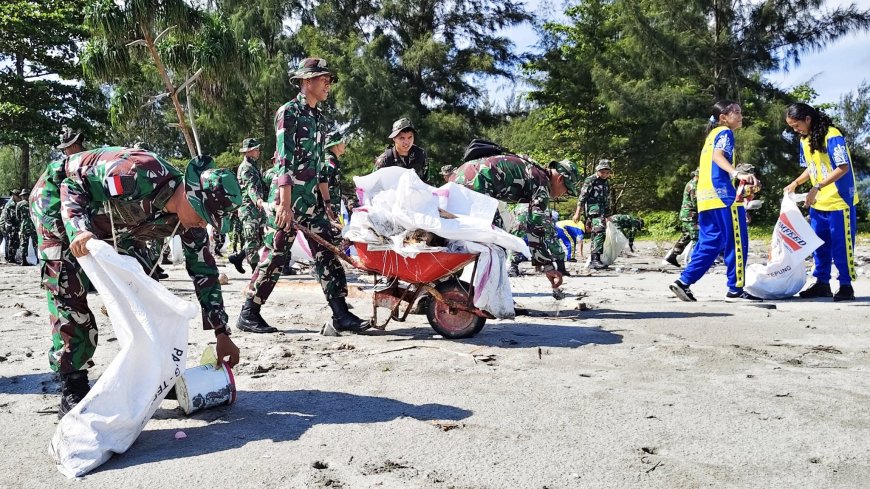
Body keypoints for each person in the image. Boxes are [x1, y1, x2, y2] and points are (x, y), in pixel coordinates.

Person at [30, 145, 242, 418]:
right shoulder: (138, 172)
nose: (204, 224)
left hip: (113, 226)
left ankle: (153, 373)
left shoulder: (190, 224)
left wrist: (221, 333)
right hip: (58, 199)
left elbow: (205, 273)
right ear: (190, 194)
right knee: (66, 282)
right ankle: (73, 384)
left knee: (145, 292)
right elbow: (72, 185)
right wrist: (78, 229)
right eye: (203, 215)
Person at [238, 57, 369, 334]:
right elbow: (283, 160)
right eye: (324, 79)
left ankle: (341, 313)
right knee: (276, 254)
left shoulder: (319, 118)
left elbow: (320, 165)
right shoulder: (288, 113)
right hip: (288, 198)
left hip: (312, 201)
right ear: (306, 81)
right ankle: (249, 312)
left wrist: (328, 203)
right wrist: (284, 204)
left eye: (329, 80)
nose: (328, 85)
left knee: (327, 252)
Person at [669, 100, 761, 302]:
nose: (740, 115)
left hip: (705, 197)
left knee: (710, 243)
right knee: (737, 241)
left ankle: (683, 282)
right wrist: (737, 173)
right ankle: (735, 290)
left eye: (740, 111)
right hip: (722, 194)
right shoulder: (724, 133)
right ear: (723, 118)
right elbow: (718, 156)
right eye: (735, 112)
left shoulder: (711, 135)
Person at [453, 154, 581, 292]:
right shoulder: (542, 184)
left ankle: (454, 286)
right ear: (560, 179)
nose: (563, 194)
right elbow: (535, 228)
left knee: (460, 237)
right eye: (566, 190)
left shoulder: (536, 172)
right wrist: (548, 266)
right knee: (495, 241)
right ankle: (487, 297)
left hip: (462, 174)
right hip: (478, 182)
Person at [784, 103, 859, 301]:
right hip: (819, 203)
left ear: (808, 119)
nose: (795, 130)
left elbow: (842, 167)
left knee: (841, 246)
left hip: (838, 201)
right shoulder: (805, 139)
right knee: (819, 245)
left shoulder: (832, 135)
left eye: (796, 125)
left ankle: (845, 285)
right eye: (792, 127)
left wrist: (817, 187)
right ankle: (822, 283)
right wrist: (796, 183)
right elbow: (812, 167)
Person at [228, 138, 266, 274]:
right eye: (256, 149)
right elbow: (251, 188)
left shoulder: (253, 165)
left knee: (261, 239)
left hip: (257, 209)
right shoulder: (246, 168)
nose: (258, 152)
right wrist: (258, 200)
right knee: (251, 239)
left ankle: (238, 258)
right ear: (249, 151)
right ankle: (255, 271)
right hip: (249, 209)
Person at [574, 160, 612, 269]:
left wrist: (608, 215)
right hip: (593, 210)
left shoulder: (606, 183)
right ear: (598, 170)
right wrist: (578, 213)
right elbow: (582, 197)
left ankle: (595, 258)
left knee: (598, 232)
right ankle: (595, 260)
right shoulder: (591, 180)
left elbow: (607, 199)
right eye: (602, 172)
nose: (604, 175)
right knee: (599, 230)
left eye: (606, 172)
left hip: (602, 211)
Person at [662, 170, 699, 267]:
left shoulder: (691, 184)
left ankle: (672, 257)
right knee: (696, 237)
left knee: (686, 237)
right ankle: (695, 262)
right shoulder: (694, 186)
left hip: (687, 215)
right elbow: (696, 203)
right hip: (690, 215)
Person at [374, 118, 429, 182]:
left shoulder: (421, 155)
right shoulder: (384, 160)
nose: (406, 142)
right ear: (394, 138)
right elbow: (374, 185)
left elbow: (426, 183)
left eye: (410, 137)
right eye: (402, 138)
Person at [318, 129, 347, 225]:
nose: (344, 144)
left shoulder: (332, 159)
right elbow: (323, 183)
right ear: (336, 144)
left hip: (332, 208)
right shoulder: (330, 161)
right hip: (328, 210)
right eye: (342, 142)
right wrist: (327, 205)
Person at [17, 189, 37, 265]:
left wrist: (22, 221)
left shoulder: (19, 204)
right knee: (37, 243)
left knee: (23, 244)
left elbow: (17, 216)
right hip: (33, 225)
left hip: (24, 225)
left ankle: (23, 261)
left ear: (22, 196)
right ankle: (38, 259)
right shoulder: (33, 203)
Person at [2, 190, 21, 263]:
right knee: (11, 241)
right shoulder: (11, 204)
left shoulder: (16, 203)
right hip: (10, 225)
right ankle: (10, 258)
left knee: (13, 241)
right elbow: (8, 217)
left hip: (13, 225)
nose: (19, 197)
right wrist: (11, 227)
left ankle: (11, 257)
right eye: (17, 195)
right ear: (14, 195)